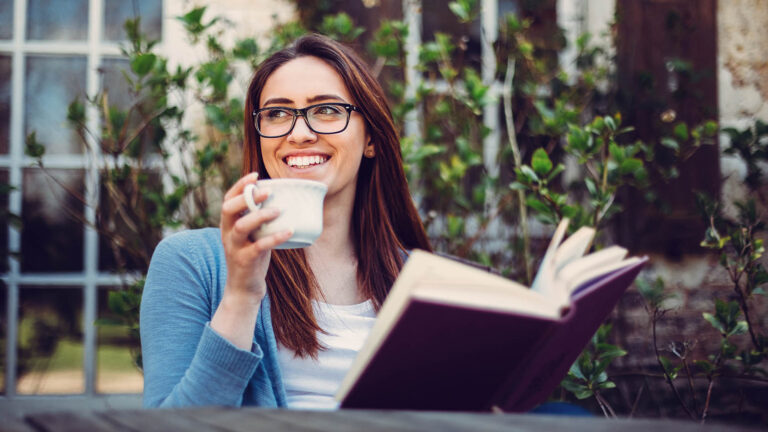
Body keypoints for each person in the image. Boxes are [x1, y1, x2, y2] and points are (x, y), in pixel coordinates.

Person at [140, 33, 431, 409]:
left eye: (327, 109)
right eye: (277, 114)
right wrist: (241, 296)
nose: (300, 134)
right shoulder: (193, 262)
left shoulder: (423, 283)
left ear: (371, 137)